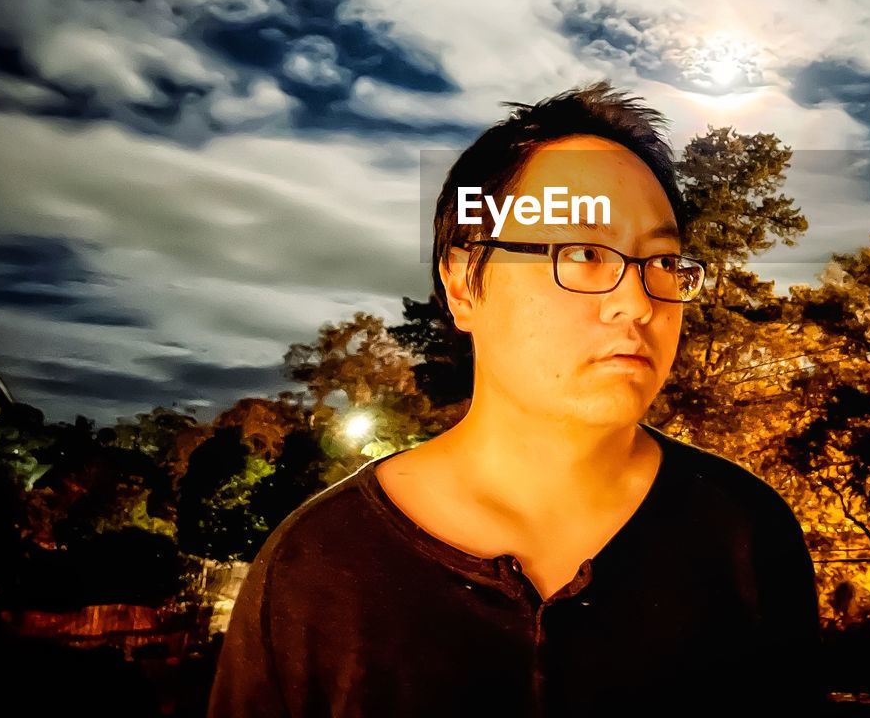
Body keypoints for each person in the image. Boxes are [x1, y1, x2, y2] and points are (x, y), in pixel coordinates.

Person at [208, 83, 822, 717]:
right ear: (463, 283)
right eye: (584, 253)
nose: (639, 302)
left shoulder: (746, 537)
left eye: (663, 262)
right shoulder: (315, 571)